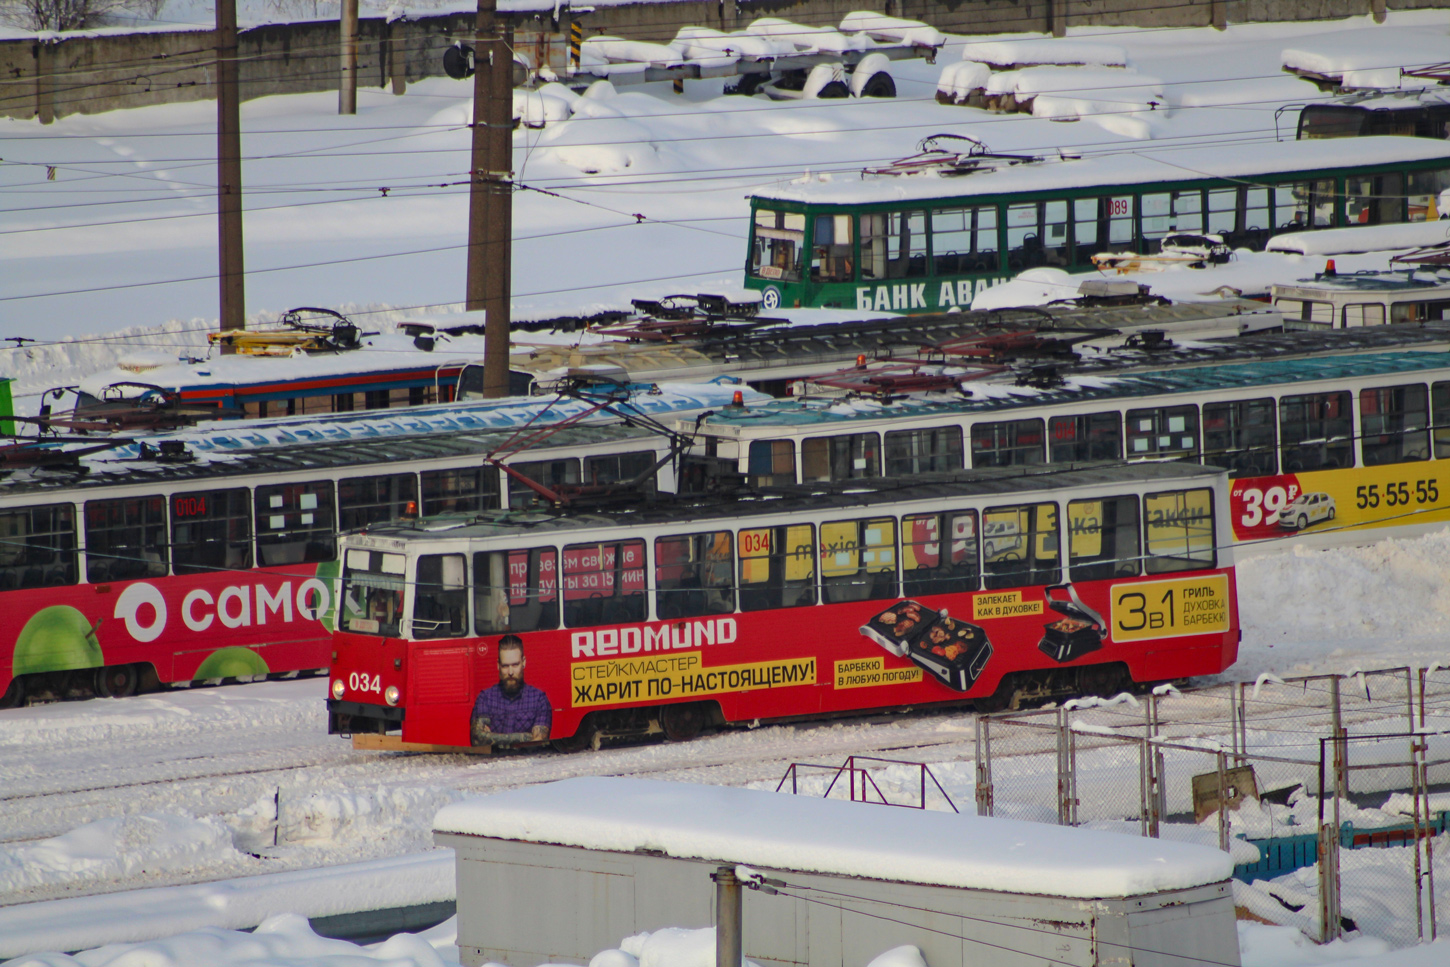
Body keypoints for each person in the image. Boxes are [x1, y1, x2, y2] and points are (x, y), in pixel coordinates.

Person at [471, 635, 551, 746]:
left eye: (515, 665)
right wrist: (527, 737)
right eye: (505, 666)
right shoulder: (485, 698)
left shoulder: (539, 699)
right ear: (498, 665)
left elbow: (539, 741)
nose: (510, 672)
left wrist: (491, 737)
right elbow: (478, 740)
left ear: (524, 662)